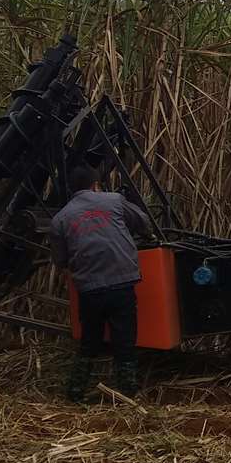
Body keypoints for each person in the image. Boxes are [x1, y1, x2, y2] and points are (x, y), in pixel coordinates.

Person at [49, 165, 152, 401]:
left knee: (89, 342)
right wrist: (149, 237)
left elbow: (61, 260)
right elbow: (142, 222)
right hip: (121, 283)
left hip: (89, 289)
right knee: (124, 340)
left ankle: (75, 393)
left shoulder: (60, 219)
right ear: (95, 185)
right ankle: (128, 393)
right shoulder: (114, 201)